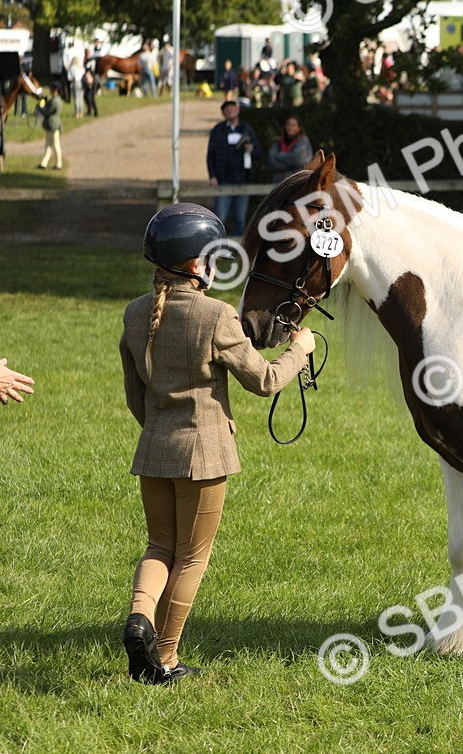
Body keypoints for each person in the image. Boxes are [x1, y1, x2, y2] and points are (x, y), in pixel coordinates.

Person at [120, 203, 315, 685]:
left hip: (154, 448)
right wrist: (300, 350)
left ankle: (138, 619)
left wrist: (161, 429)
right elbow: (266, 381)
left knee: (159, 546)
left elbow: (134, 396)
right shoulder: (217, 315)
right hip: (204, 454)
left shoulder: (134, 313)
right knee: (191, 556)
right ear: (193, 265)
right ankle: (163, 659)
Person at [207, 101, 259, 235]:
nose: (230, 111)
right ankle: (218, 248)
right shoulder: (218, 130)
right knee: (219, 218)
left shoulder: (247, 129)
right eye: (226, 109)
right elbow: (210, 155)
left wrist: (251, 150)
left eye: (232, 108)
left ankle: (238, 250)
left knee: (240, 219)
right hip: (223, 180)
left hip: (243, 181)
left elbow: (258, 152)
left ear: (238, 110)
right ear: (223, 113)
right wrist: (212, 176)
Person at [265, 115, 313, 183]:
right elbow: (270, 161)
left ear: (299, 128)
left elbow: (297, 160)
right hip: (278, 184)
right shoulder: (277, 143)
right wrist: (291, 166)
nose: (290, 127)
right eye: (288, 125)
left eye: (293, 125)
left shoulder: (303, 142)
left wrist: (279, 156)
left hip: (298, 183)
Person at [37, 84, 64, 170]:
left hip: (53, 124)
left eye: (52, 89)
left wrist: (40, 107)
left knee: (55, 144)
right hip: (51, 123)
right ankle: (44, 163)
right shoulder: (56, 100)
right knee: (48, 144)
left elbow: (46, 111)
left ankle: (58, 163)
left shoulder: (55, 101)